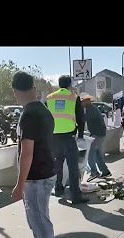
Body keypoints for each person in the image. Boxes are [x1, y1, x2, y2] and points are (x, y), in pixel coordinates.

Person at [11, 71, 58, 238]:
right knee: (37, 219)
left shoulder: (28, 115)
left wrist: (19, 185)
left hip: (36, 176)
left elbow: (26, 153)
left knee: (39, 221)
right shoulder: (44, 111)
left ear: (15, 93)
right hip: (46, 172)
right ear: (34, 89)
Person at [46, 75, 89, 204]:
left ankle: (58, 189)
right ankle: (76, 195)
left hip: (54, 138)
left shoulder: (49, 98)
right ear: (70, 85)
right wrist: (81, 135)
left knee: (57, 164)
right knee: (73, 166)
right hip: (68, 137)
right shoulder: (73, 97)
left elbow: (45, 118)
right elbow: (80, 117)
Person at [80, 93, 112, 182]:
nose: (81, 103)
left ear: (86, 101)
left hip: (97, 134)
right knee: (97, 154)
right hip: (99, 133)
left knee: (90, 153)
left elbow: (84, 119)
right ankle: (105, 171)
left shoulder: (90, 110)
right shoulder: (92, 108)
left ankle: (94, 172)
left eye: (82, 101)